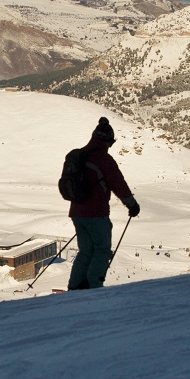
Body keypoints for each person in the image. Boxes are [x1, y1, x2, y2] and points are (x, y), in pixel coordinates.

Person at [67, 117, 139, 290]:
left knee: (85, 251)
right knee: (102, 250)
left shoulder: (77, 156)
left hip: (77, 212)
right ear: (106, 140)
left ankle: (75, 286)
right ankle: (94, 285)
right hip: (96, 213)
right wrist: (132, 205)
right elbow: (118, 185)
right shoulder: (103, 160)